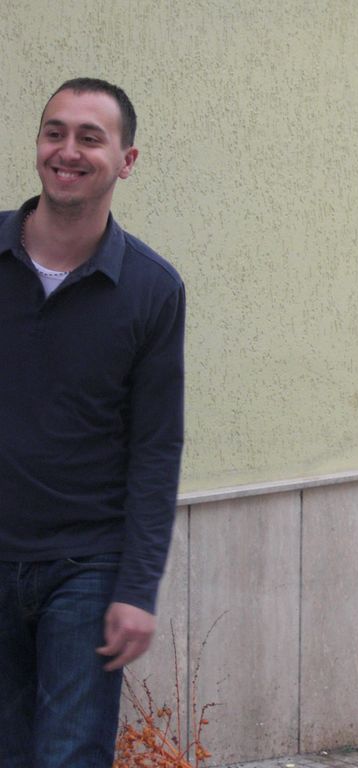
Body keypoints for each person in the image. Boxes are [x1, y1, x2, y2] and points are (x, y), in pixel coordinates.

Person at [0, 78, 185, 766]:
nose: (67, 151)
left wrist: (137, 587)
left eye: (89, 137)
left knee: (70, 754)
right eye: (55, 133)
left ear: (126, 161)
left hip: (86, 565)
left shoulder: (152, 288)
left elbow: (157, 446)